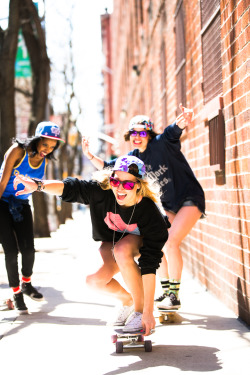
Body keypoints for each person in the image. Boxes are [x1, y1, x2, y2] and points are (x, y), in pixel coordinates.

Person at [14, 155, 169, 335]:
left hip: (137, 244)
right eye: (115, 181)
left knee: (121, 249)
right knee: (94, 282)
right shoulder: (101, 191)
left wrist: (148, 313)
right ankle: (128, 301)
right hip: (111, 243)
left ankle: (139, 311)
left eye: (127, 184)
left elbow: (149, 266)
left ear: (139, 186)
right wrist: (38, 185)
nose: (119, 188)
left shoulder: (149, 211)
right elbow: (70, 188)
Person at [81, 104, 205, 310]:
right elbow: (109, 167)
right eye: (133, 134)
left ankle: (174, 295)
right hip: (168, 205)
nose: (137, 137)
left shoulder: (161, 143)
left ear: (148, 134)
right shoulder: (133, 160)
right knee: (158, 240)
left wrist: (181, 122)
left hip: (189, 198)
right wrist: (90, 155)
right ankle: (166, 291)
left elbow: (172, 132)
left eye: (142, 133)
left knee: (171, 241)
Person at [0, 121, 65, 314]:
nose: (48, 149)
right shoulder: (17, 151)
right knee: (11, 252)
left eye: (52, 146)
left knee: (29, 250)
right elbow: (3, 180)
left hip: (21, 204)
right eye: (45, 144)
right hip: (2, 202)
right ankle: (16, 293)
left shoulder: (44, 160)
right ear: (37, 139)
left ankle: (26, 283)